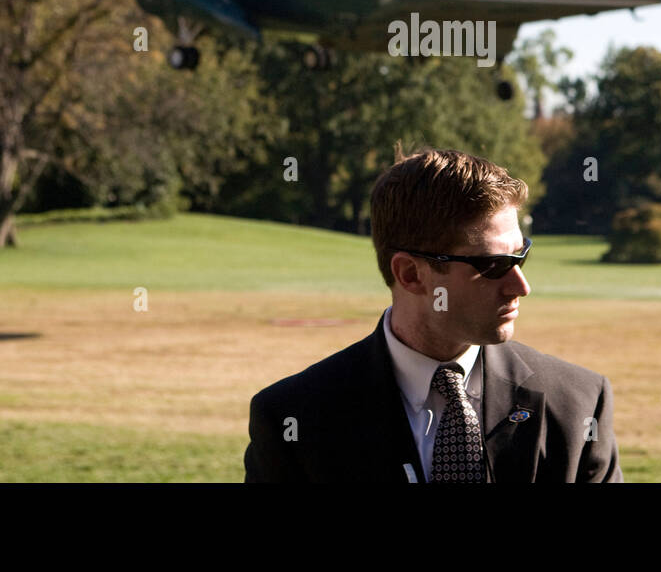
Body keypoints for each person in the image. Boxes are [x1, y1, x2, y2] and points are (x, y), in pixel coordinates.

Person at [243, 146, 623, 482]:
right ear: (410, 274)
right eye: (492, 264)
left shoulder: (578, 405)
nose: (520, 286)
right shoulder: (294, 419)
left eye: (521, 256)